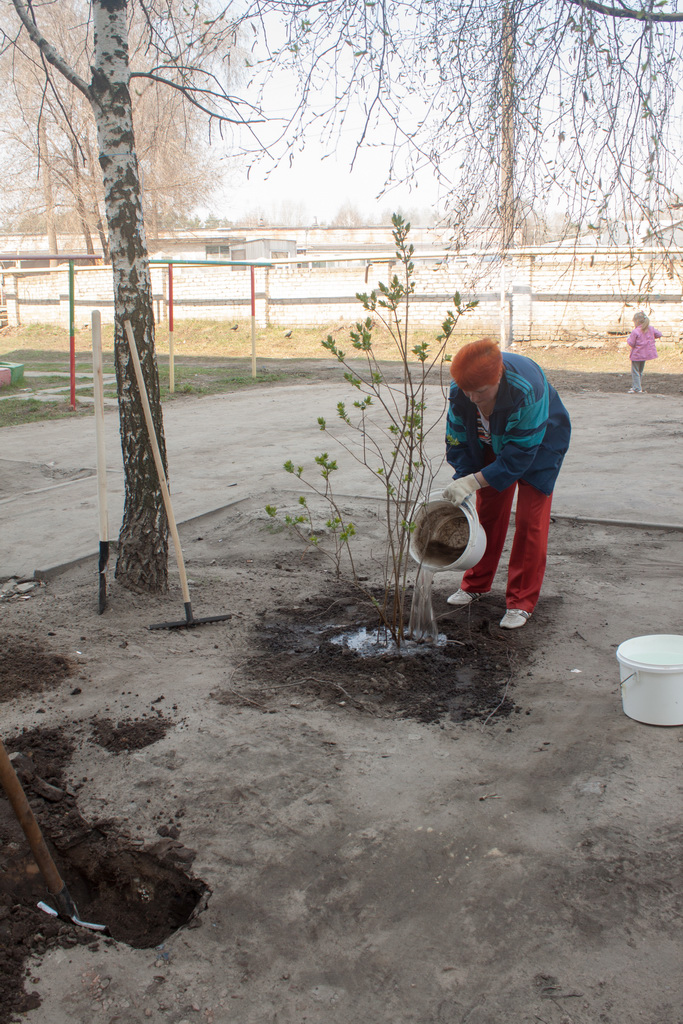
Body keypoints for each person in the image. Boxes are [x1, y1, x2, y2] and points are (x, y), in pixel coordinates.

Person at [443, 338, 571, 629]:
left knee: (530, 521)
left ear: (498, 377)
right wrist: (465, 478)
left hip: (538, 444)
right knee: (486, 512)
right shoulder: (461, 389)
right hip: (491, 441)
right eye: (467, 391)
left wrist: (476, 480)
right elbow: (457, 437)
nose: (472, 398)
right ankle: (476, 584)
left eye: (480, 392)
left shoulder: (527, 388)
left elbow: (520, 455)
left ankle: (520, 602)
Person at [626, 311, 660, 393]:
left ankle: (637, 388)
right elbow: (659, 334)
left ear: (637, 321)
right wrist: (651, 336)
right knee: (640, 371)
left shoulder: (635, 331)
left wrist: (628, 338)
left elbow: (631, 343)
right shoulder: (650, 328)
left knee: (635, 372)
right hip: (645, 355)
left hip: (637, 355)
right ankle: (637, 386)